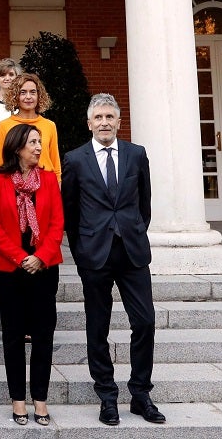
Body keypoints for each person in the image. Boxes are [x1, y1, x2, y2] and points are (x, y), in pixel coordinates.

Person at [62, 93, 165, 426]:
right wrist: (80, 252)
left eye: (110, 117)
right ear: (89, 123)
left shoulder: (136, 155)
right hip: (94, 255)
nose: (104, 123)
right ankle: (107, 396)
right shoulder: (75, 159)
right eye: (98, 118)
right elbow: (71, 211)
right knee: (97, 327)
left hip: (132, 252)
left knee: (145, 321)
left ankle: (140, 394)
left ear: (119, 122)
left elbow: (144, 203)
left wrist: (133, 230)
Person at [0, 123, 64, 426]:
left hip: (44, 268)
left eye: (39, 141)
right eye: (32, 142)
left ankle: (40, 401)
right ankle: (18, 400)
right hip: (10, 269)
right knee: (13, 336)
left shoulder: (48, 179)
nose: (38, 146)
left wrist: (40, 257)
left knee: (43, 336)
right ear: (17, 147)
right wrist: (20, 257)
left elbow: (57, 223)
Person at [0, 72, 61, 181]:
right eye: (23, 92)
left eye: (33, 92)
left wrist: (57, 190)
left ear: (39, 95)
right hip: (14, 185)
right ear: (16, 96)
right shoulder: (4, 126)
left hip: (46, 184)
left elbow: (56, 165)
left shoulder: (49, 125)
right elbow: (0, 165)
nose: (28, 97)